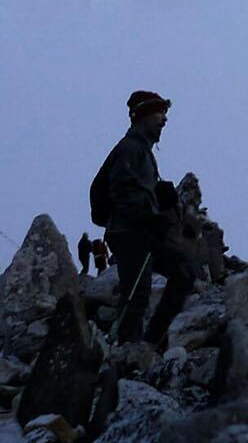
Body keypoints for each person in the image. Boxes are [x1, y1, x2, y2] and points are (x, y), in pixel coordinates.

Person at [96, 89, 196, 346]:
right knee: (137, 292)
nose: (164, 119)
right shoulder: (130, 148)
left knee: (183, 271)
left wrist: (157, 198)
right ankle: (127, 348)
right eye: (159, 112)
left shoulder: (142, 150)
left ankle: (149, 341)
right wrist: (148, 216)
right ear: (143, 116)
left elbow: (133, 190)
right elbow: (122, 190)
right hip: (128, 232)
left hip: (141, 230)